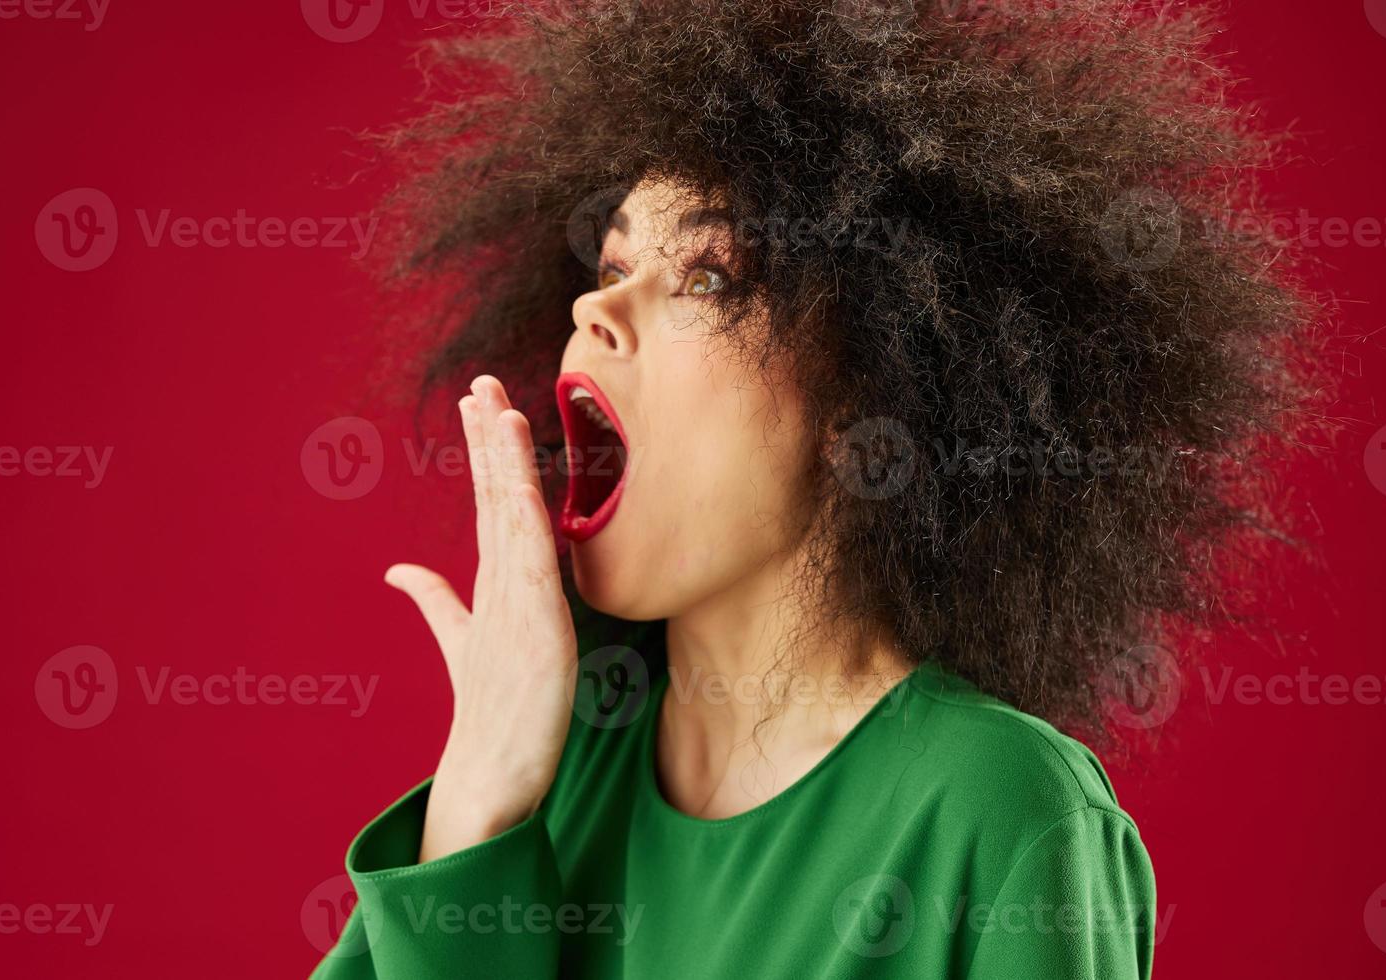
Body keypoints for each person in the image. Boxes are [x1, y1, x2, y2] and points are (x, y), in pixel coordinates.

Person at [311, 1, 1317, 976]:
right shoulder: (538, 771)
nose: (595, 304)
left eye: (706, 275)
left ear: (869, 389)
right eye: (611, 260)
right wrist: (477, 805)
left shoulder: (1001, 809)